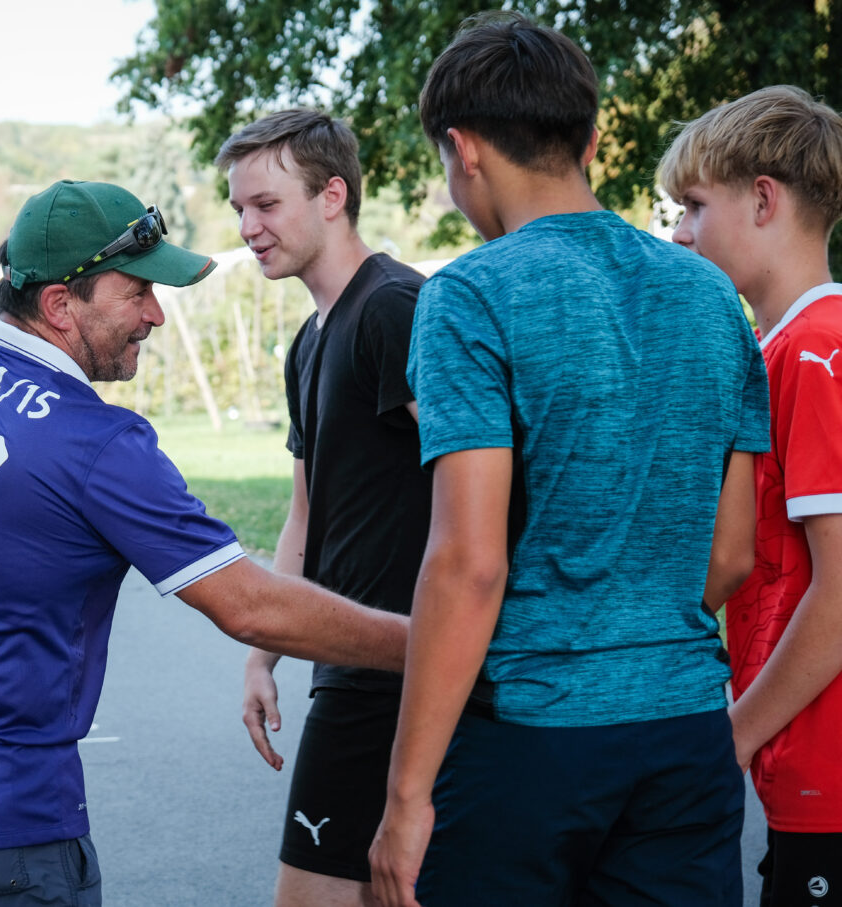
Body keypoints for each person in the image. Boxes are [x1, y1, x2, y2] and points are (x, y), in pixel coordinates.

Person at [0, 179, 414, 907]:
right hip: (2, 829)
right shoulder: (98, 442)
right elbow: (250, 606)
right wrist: (433, 644)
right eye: (139, 292)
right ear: (59, 304)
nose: (155, 314)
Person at [366, 13, 771, 907]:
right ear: (588, 139)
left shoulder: (469, 293)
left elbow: (468, 565)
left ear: (462, 150)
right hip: (686, 733)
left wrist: (404, 799)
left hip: (530, 736)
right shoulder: (710, 293)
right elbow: (732, 554)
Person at [216, 109, 429, 906]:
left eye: (266, 205)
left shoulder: (395, 308)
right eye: (239, 208)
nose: (247, 226)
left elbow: (487, 480)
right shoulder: (308, 340)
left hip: (412, 666)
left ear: (332, 195)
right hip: (344, 660)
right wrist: (263, 652)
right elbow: (307, 513)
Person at [660, 85, 842, 907]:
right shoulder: (776, 349)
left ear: (763, 199)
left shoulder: (814, 351)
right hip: (798, 767)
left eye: (694, 206)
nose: (678, 231)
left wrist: (731, 737)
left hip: (825, 774)